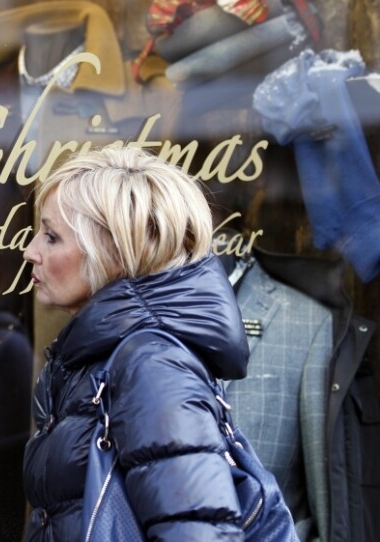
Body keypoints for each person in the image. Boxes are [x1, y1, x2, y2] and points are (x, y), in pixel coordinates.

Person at [21, 146, 255, 539]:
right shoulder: (100, 355)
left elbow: (198, 532)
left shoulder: (152, 364)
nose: (30, 251)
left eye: (51, 237)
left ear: (113, 252)